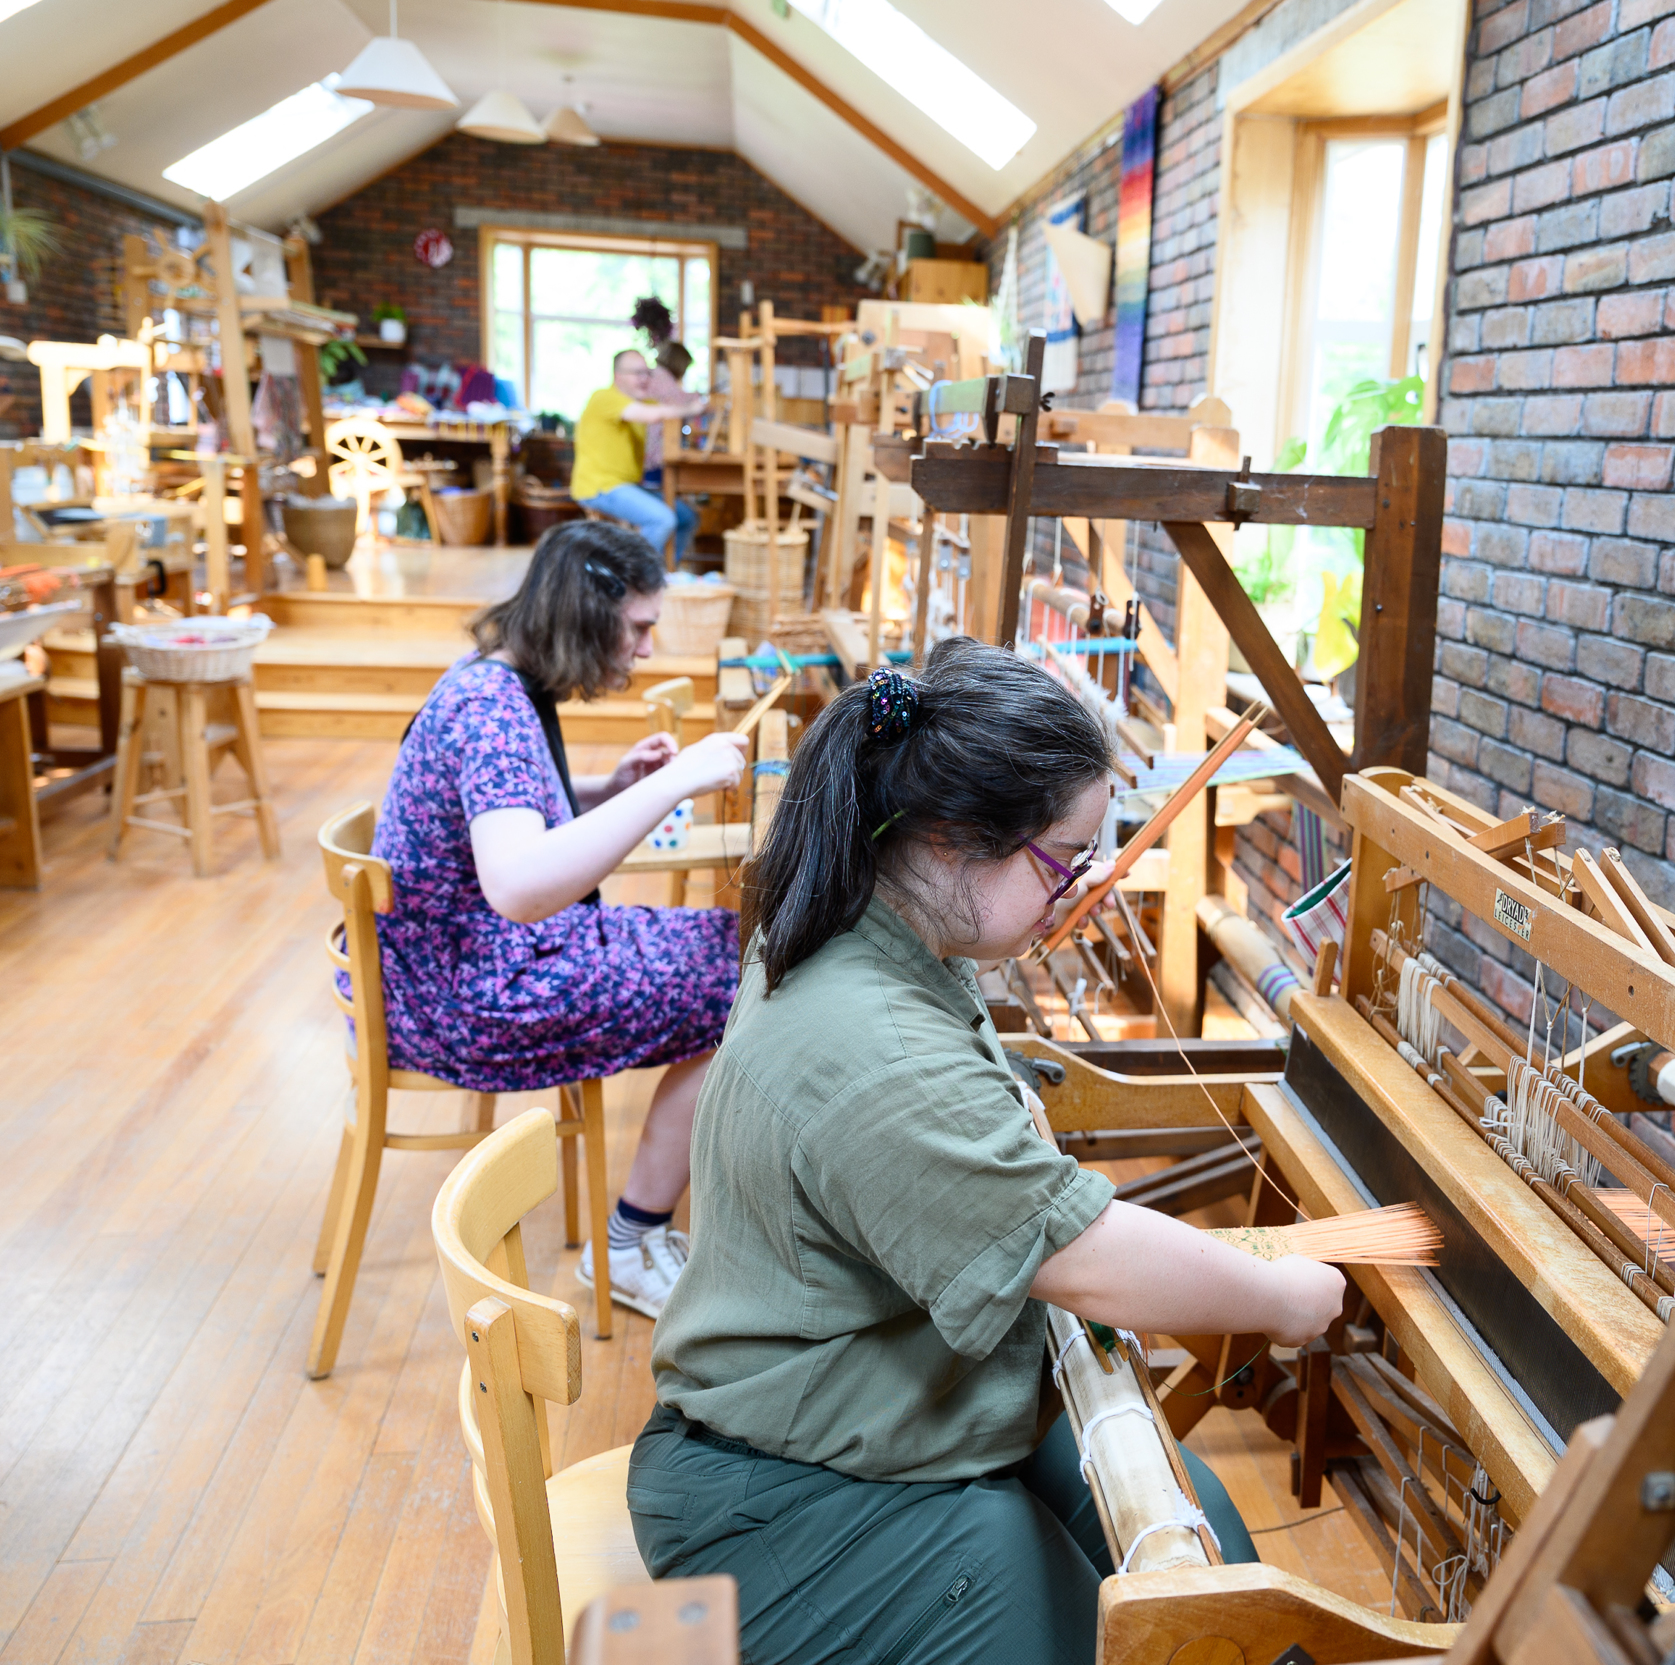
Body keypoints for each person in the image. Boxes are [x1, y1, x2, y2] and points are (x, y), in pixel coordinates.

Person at [629, 642, 1347, 1664]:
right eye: (1064, 860)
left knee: (1213, 1550)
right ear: (955, 840)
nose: (1081, 885)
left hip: (873, 1407)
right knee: (1065, 1614)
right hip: (772, 1491)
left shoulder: (866, 924)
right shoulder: (871, 1044)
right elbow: (1081, 1255)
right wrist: (1286, 1300)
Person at [365, 520, 748, 1318]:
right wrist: (672, 784)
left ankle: (642, 1230)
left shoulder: (492, 679)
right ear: (587, 612)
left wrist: (608, 786)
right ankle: (634, 1241)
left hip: (463, 962)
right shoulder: (493, 709)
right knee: (744, 979)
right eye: (639, 627)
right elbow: (517, 885)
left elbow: (507, 820)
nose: (645, 649)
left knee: (740, 949)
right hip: (471, 992)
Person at [572, 348, 706, 568]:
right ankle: (631, 575)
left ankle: (660, 571)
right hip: (599, 486)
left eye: (647, 373)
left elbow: (669, 407)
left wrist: (695, 404)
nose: (644, 379)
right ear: (618, 376)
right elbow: (654, 414)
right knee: (661, 519)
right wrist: (691, 408)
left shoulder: (644, 402)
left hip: (626, 485)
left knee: (686, 517)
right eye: (637, 373)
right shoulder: (604, 397)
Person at [640, 339, 699, 490]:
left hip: (647, 441)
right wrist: (697, 400)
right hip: (655, 444)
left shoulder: (655, 374)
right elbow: (677, 405)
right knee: (656, 490)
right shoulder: (663, 378)